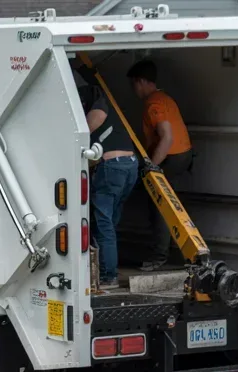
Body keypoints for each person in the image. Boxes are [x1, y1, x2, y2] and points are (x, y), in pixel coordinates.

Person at [128, 59, 194, 271]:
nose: (133, 90)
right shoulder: (164, 98)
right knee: (169, 206)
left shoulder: (153, 103)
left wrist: (151, 166)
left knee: (160, 207)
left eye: (134, 85)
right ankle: (173, 251)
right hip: (183, 155)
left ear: (141, 82)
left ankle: (159, 257)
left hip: (170, 157)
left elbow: (166, 137)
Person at [81, 82, 138, 290]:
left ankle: (108, 275)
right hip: (130, 165)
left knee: (103, 224)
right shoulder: (111, 109)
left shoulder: (98, 106)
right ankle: (108, 266)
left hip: (112, 166)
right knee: (110, 222)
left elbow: (89, 125)